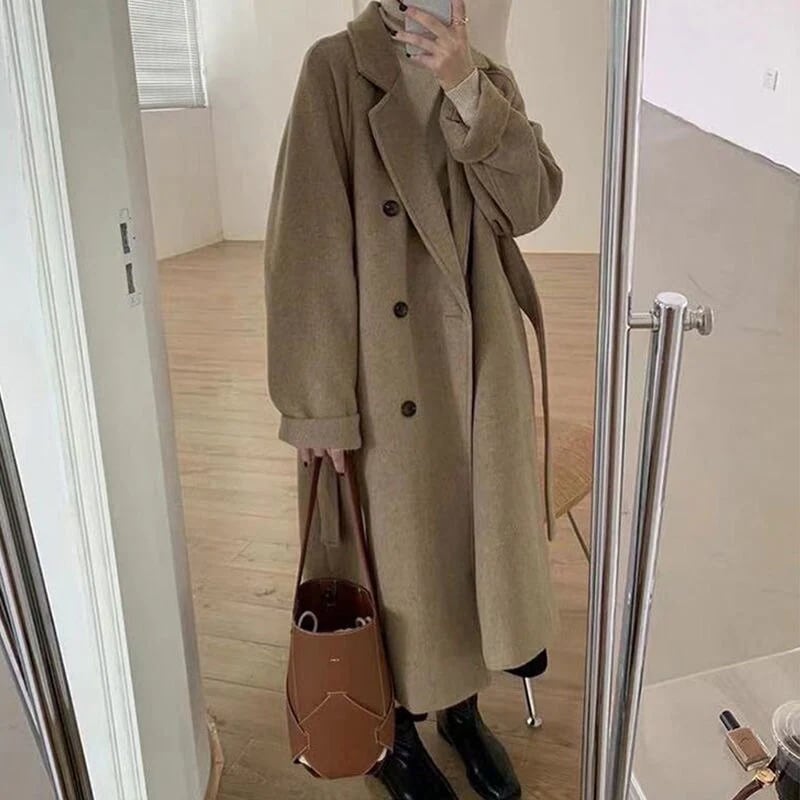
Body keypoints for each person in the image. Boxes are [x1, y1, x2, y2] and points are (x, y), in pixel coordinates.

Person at [265, 1, 563, 797]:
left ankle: (462, 708)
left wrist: (467, 87)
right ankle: (395, 731)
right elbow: (306, 245)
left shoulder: (485, 77)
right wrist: (317, 402)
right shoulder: (336, 69)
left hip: (479, 361)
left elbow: (529, 204)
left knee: (472, 546)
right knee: (399, 560)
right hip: (385, 367)